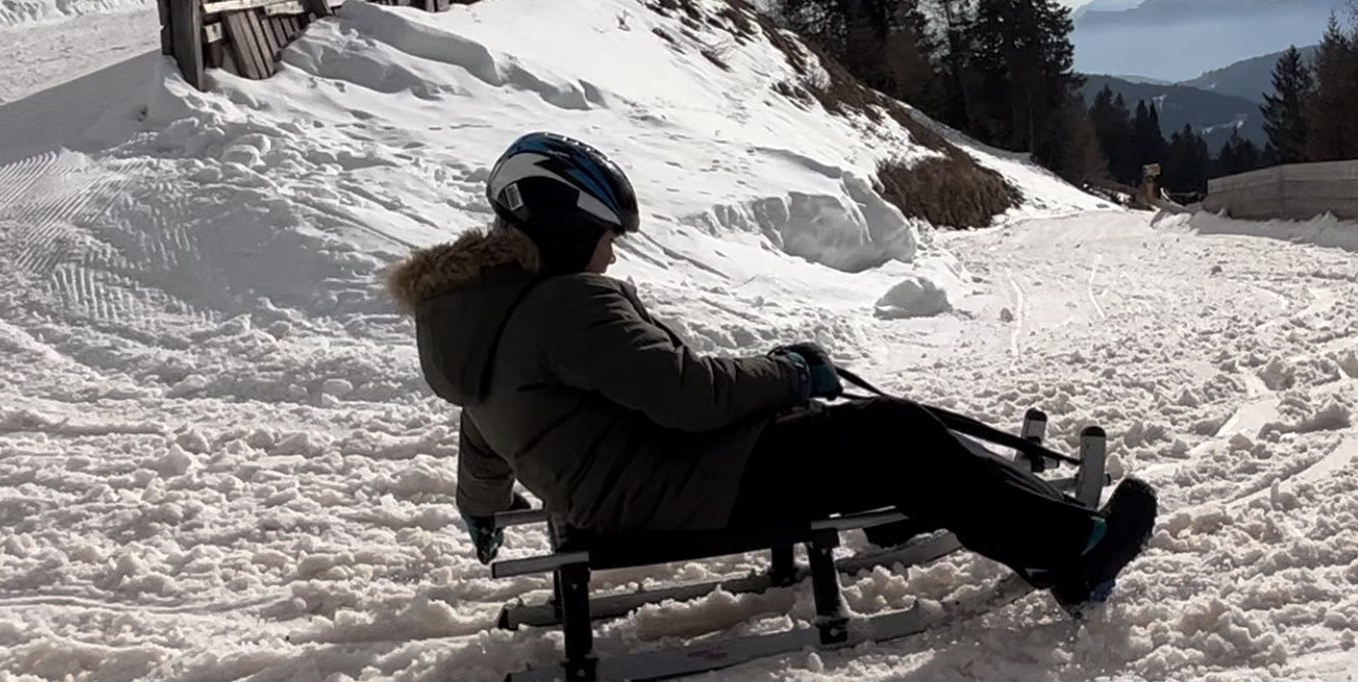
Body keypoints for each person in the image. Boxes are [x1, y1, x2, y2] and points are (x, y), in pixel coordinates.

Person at [384, 131, 1156, 611]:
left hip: (629, 488)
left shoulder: (477, 318)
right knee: (894, 431)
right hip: (678, 487)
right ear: (564, 226)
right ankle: (1074, 554)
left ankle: (902, 509)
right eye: (605, 234)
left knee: (857, 436)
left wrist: (480, 506)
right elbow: (688, 397)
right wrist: (790, 372)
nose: (611, 251)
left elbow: (479, 428)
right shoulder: (565, 305)